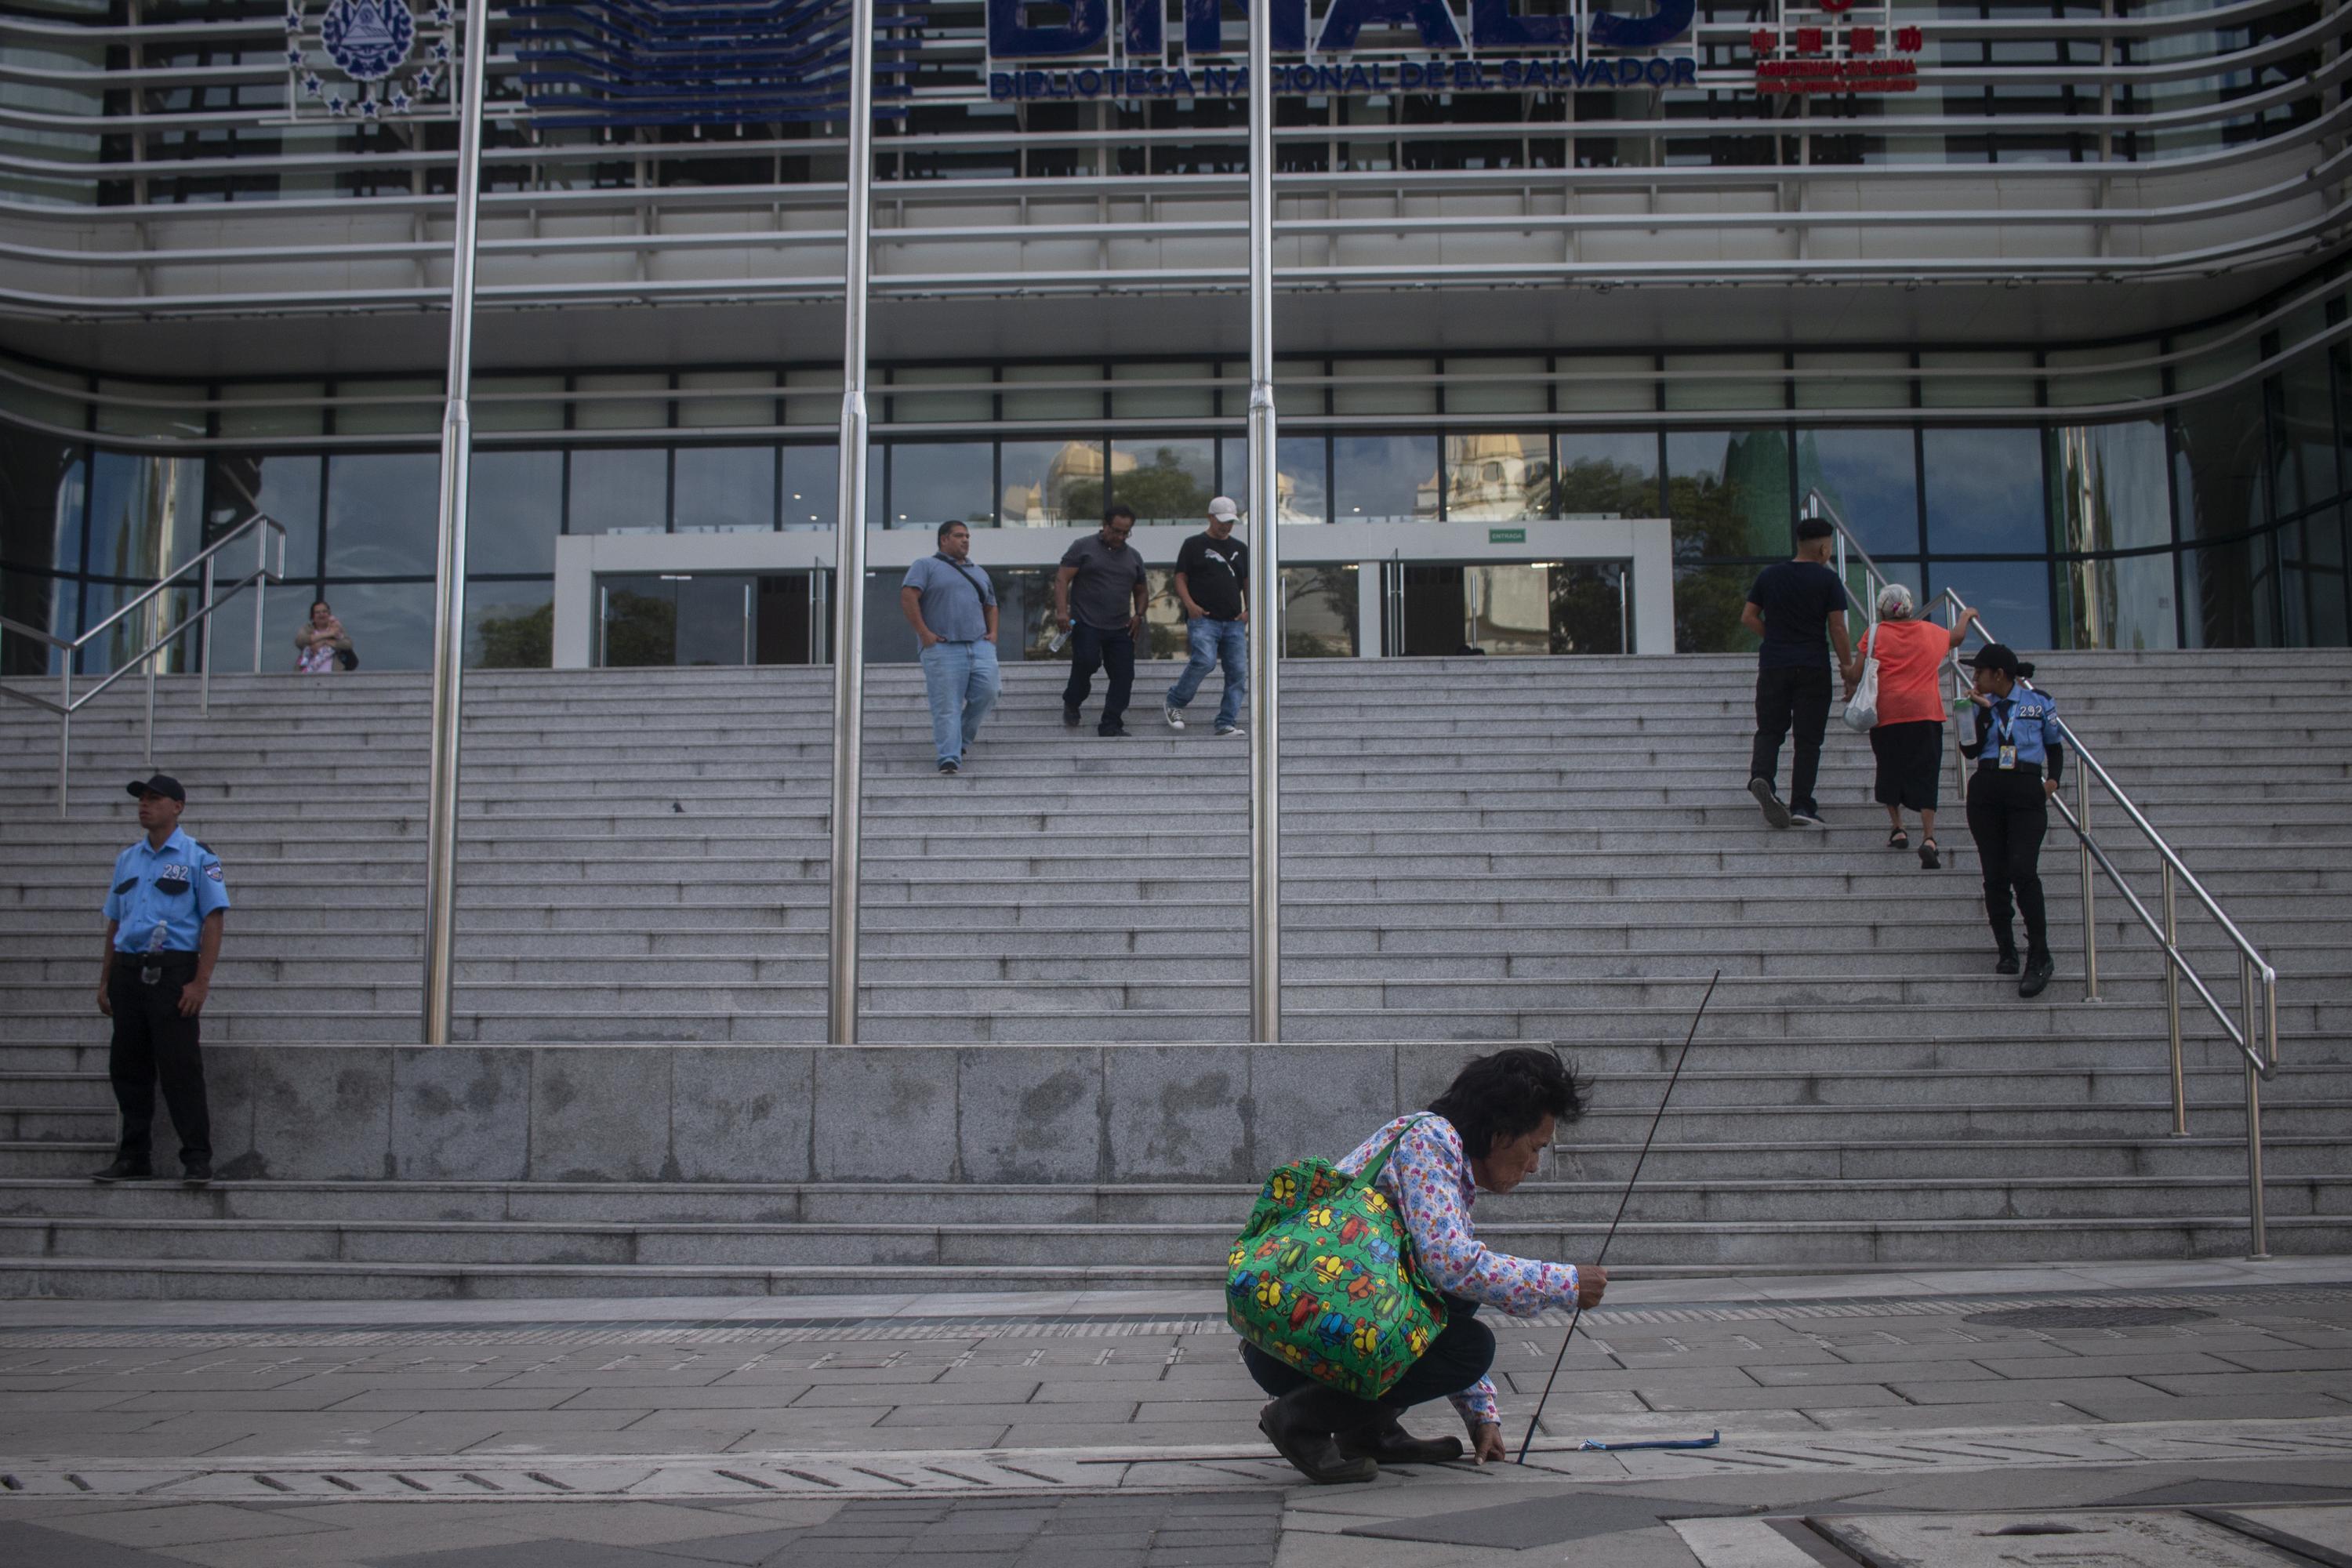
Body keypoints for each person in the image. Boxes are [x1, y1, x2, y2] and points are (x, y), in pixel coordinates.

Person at [1243, 1048, 1607, 1484]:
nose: (1533, 1166)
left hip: (1309, 1337)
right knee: (1470, 1346)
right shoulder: (1431, 1141)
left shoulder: (1439, 1153)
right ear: (1500, 1133)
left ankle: (1367, 1431)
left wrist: (1481, 1416)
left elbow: (1444, 1288)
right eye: (1535, 1148)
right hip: (1293, 1348)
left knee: (1458, 1302)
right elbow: (1449, 1265)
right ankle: (1301, 1419)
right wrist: (1565, 1283)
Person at [91, 775, 228, 1186]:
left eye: (154, 799)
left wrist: (201, 983)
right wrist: (105, 980)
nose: (144, 806)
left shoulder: (199, 857)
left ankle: (197, 1158)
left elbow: (214, 919)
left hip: (173, 972)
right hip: (129, 972)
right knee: (128, 1068)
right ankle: (134, 1156)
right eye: (141, 800)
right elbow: (116, 921)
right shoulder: (127, 860)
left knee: (180, 1067)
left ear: (178, 807)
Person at [1958, 644, 2065, 999]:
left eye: (1980, 672)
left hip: (2024, 790)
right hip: (1987, 790)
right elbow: (1969, 750)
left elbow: (2055, 745)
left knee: (2023, 869)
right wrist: (1977, 713)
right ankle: (2006, 949)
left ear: (1999, 674)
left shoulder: (2038, 702)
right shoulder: (1979, 706)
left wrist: (2052, 782)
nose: (1974, 678)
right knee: (1995, 873)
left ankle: (2040, 952)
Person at [1741, 517, 1857, 829]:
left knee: (1769, 730)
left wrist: (1775, 637)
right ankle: (1802, 806)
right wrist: (1848, 669)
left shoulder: (1770, 576)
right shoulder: (1827, 580)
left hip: (1774, 665)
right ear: (1823, 546)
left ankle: (1761, 777)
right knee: (1808, 740)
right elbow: (1837, 628)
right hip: (1812, 666)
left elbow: (1748, 617)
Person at [1857, 584, 1977, 869]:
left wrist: (1848, 678)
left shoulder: (1874, 634)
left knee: (1889, 769)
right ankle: (1929, 837)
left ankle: (1898, 828)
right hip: (1925, 713)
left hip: (1887, 715)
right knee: (1926, 771)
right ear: (1910, 606)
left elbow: (1856, 670)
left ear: (1882, 609)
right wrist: (1966, 615)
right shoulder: (1929, 632)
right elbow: (1957, 638)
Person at [899, 521, 1001, 777]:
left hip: (979, 645)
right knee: (947, 705)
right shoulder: (925, 566)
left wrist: (993, 633)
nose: (965, 540)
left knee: (989, 692)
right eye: (959, 536)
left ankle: (961, 741)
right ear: (944, 540)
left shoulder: (979, 571)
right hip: (943, 647)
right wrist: (925, 635)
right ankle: (949, 758)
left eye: (967, 536)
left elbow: (991, 605)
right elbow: (908, 597)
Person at [1055, 504, 1150, 738]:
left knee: (1124, 675)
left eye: (1125, 532)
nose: (1119, 536)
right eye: (1116, 530)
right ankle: (1072, 700)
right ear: (1105, 525)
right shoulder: (1083, 547)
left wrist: (1139, 615)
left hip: (1121, 627)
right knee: (1087, 662)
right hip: (1087, 623)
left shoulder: (1133, 557)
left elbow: (1141, 590)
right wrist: (1061, 612)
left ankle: (1111, 723)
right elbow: (1061, 578)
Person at [1163, 495, 1249, 737]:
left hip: (1233, 621)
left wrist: (1249, 610)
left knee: (1238, 673)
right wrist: (1190, 605)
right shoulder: (1193, 545)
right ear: (1210, 517)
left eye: (1230, 522)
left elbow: (1246, 581)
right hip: (1204, 618)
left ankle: (1226, 722)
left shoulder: (1240, 549)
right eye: (1222, 521)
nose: (1226, 526)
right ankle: (1175, 701)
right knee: (1204, 661)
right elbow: (1180, 577)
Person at [294, 600, 352, 674]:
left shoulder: (336, 628)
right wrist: (328, 634)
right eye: (318, 612)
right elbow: (299, 641)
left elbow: (348, 644)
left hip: (332, 677)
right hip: (308, 676)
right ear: (313, 617)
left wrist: (325, 642)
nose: (322, 614)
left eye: (324, 611)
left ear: (329, 614)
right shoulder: (307, 629)